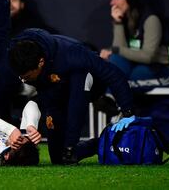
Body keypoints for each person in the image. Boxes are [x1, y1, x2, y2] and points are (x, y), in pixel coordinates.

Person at [9, 28, 135, 165]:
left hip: (85, 81)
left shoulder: (72, 54)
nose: (23, 81)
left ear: (41, 62)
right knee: (59, 158)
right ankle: (99, 143)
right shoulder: (15, 52)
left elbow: (112, 73)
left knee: (77, 83)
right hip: (54, 88)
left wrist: (128, 111)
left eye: (26, 77)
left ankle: (82, 143)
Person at [100, 0, 169, 91]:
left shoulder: (151, 19)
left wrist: (115, 50)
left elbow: (148, 57)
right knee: (115, 63)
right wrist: (118, 23)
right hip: (135, 63)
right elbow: (118, 51)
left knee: (135, 76)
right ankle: (109, 103)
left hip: (158, 67)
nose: (112, 2)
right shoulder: (125, 17)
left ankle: (113, 102)